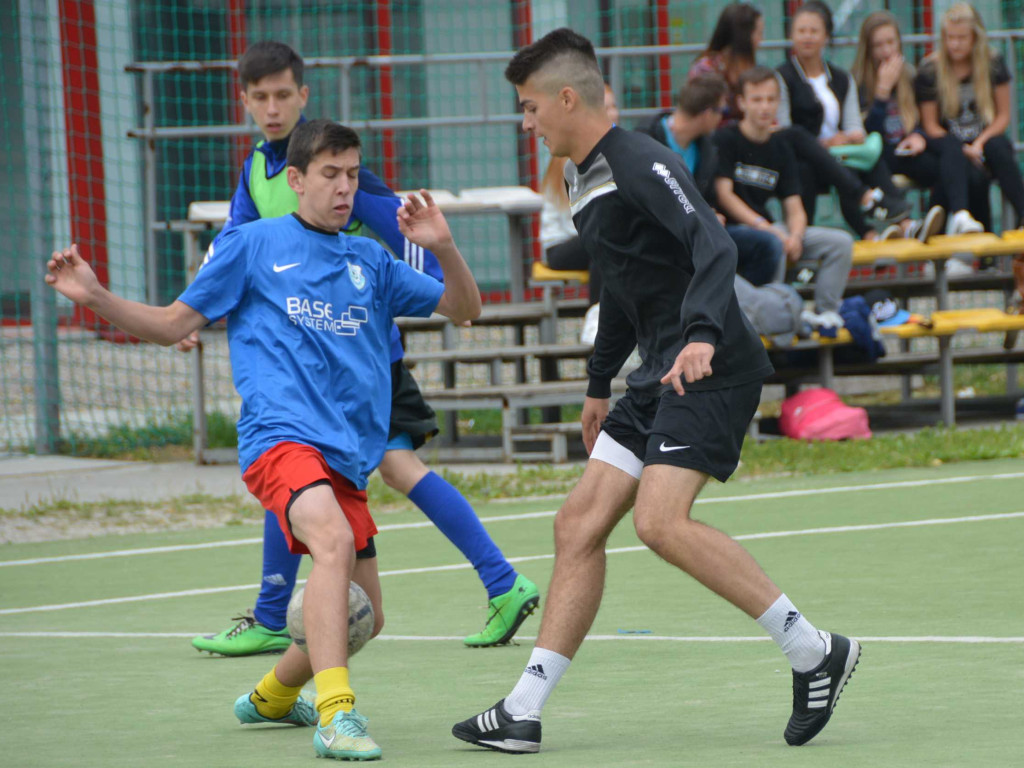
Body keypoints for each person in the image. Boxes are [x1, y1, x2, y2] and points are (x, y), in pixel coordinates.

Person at [451, 28, 860, 754]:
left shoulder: (641, 160)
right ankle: (523, 709)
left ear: (565, 97)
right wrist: (598, 383)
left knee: (659, 523)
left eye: (528, 107)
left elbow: (716, 242)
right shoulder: (580, 176)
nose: (526, 122)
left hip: (710, 364)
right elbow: (620, 286)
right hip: (655, 371)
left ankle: (812, 649)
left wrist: (702, 333)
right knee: (577, 525)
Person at [47, 119, 482, 760]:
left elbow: (465, 309)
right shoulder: (251, 244)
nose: (343, 187)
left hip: (345, 456)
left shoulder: (371, 261)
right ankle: (339, 718)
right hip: (279, 439)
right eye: (329, 174)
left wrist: (443, 247)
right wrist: (94, 295)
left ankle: (271, 697)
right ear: (297, 179)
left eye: (352, 175)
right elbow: (172, 325)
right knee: (331, 541)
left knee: (369, 614)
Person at [186, 42, 539, 657]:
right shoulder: (259, 172)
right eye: (260, 97)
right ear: (243, 101)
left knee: (363, 466)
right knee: (305, 463)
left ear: (304, 95)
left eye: (282, 95)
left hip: (361, 361)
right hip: (311, 370)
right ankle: (278, 617)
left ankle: (500, 580)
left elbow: (408, 246)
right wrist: (191, 311)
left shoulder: (342, 170)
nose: (272, 108)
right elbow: (230, 248)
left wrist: (436, 268)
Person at [716, 66, 853, 331]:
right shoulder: (726, 139)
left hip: (773, 229)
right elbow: (724, 195)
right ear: (742, 103)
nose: (764, 107)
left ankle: (827, 314)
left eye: (770, 99)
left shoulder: (781, 146)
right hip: (740, 230)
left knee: (841, 243)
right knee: (773, 242)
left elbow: (794, 207)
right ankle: (773, 318)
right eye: (757, 100)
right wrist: (766, 228)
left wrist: (796, 237)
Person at [776, 1, 913, 240]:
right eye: (801, 31)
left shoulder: (841, 78)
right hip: (803, 160)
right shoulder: (782, 77)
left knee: (868, 159)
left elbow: (855, 129)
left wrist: (847, 137)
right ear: (792, 35)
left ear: (826, 35)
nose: (807, 37)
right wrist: (824, 145)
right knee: (809, 168)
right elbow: (786, 132)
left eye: (813, 31)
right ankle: (870, 214)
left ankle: (901, 225)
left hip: (841, 155)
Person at [638, 73, 782, 286]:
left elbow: (706, 199)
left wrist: (709, 214)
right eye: (722, 111)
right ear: (707, 114)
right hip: (662, 235)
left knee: (768, 245)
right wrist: (697, 217)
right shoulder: (647, 140)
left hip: (700, 233)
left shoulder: (707, 148)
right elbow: (644, 199)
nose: (722, 118)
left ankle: (739, 307)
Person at [852, 10, 984, 241]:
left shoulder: (911, 75)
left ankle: (949, 223)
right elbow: (867, 133)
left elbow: (926, 120)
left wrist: (918, 135)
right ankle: (920, 231)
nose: (886, 51)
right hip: (879, 158)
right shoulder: (858, 82)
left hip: (907, 152)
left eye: (890, 43)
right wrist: (882, 92)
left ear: (899, 44)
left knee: (952, 156)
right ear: (868, 49)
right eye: (878, 45)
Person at [915, 2, 1024, 234]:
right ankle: (982, 253)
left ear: (975, 37)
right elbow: (931, 125)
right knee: (973, 176)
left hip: (985, 139)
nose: (954, 44)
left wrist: (979, 143)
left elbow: (1003, 116)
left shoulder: (992, 62)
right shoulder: (930, 70)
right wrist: (962, 149)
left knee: (1000, 149)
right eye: (949, 37)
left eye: (961, 37)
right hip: (951, 146)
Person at [540, 83, 618, 343]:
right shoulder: (575, 155)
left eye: (614, 106)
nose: (613, 113)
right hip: (561, 246)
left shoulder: (612, 150)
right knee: (602, 242)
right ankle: (597, 315)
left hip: (591, 237)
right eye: (606, 107)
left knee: (609, 241)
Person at [688, 2, 764, 124]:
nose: (761, 40)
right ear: (744, 37)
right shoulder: (706, 69)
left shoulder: (754, 68)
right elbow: (699, 114)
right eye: (758, 33)